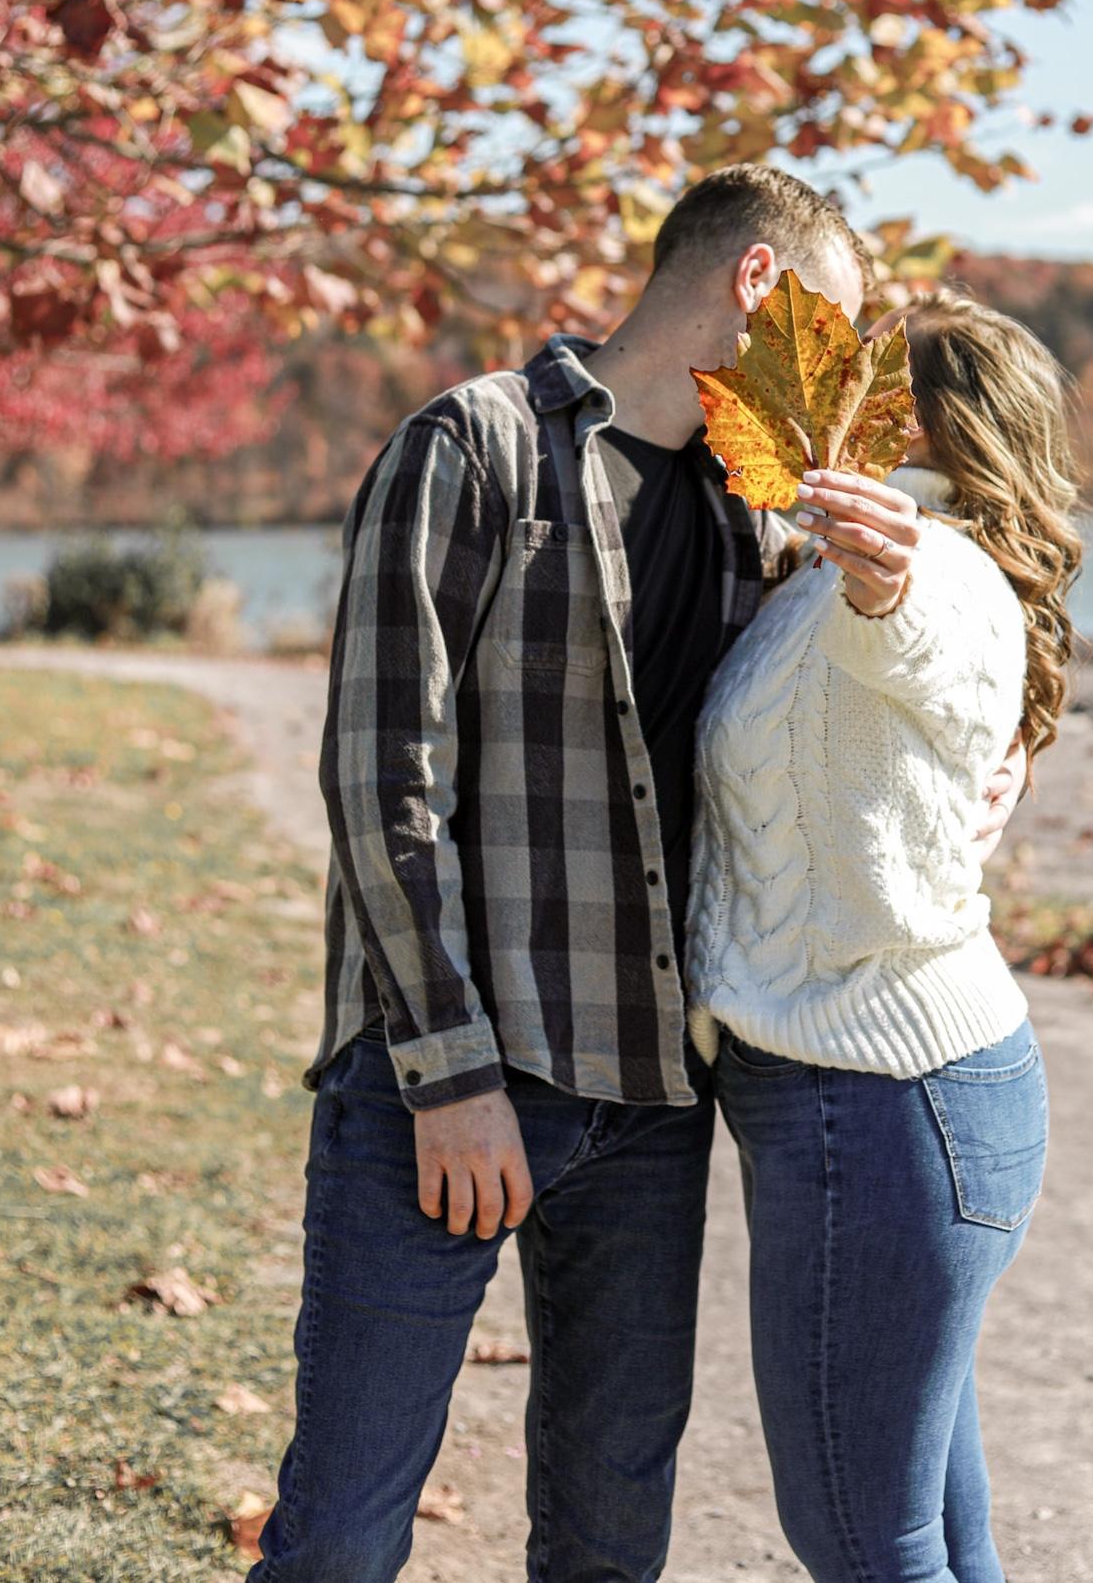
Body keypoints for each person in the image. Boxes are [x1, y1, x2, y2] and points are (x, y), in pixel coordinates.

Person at [252, 172, 1022, 1583]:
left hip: (650, 1102)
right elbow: (381, 782)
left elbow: (892, 670)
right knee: (344, 1535)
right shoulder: (474, 446)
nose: (835, 373)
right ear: (759, 284)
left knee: (610, 1544)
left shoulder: (752, 506)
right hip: (444, 1080)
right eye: (830, 325)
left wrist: (1008, 756)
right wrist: (451, 1077)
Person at [686, 288, 1083, 1583]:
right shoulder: (817, 580)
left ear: (911, 422)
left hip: (877, 1109)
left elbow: (920, 627)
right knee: (932, 1538)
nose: (824, 387)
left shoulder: (937, 574)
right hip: (891, 1099)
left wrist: (891, 581)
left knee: (863, 1540)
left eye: (859, 375)